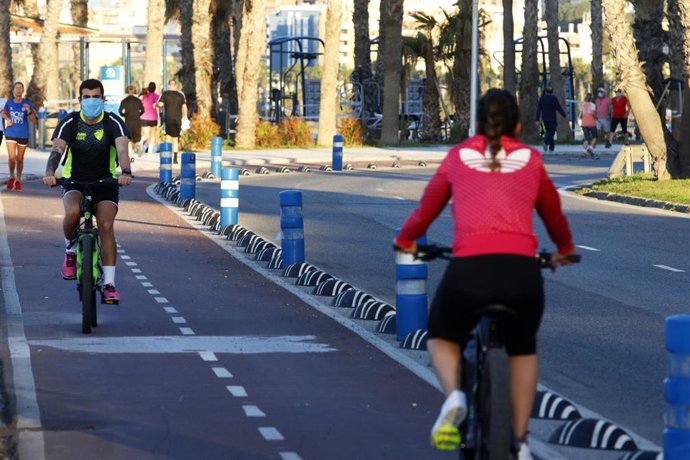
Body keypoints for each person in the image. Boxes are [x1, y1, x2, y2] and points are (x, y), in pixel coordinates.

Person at [393, 89, 575, 460]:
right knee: (523, 348)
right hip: (522, 277)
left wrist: (406, 240)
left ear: (476, 124)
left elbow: (426, 209)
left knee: (442, 333)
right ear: (519, 126)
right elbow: (554, 216)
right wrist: (564, 251)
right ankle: (521, 443)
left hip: (469, 274)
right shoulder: (531, 159)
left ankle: (455, 396)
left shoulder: (459, 157)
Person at [42, 78, 133, 303]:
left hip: (106, 183)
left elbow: (122, 150)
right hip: (75, 181)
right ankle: (70, 252)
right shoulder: (70, 121)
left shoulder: (114, 122)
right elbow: (57, 149)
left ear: (103, 99)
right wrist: (50, 171)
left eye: (95, 97)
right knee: (72, 213)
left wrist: (126, 172)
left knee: (105, 226)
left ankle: (109, 283)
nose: (91, 101)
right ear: (80, 100)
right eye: (86, 97)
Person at [2, 82, 37, 192]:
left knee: (20, 159)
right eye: (16, 88)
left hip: (23, 134)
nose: (18, 90)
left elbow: (33, 120)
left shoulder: (27, 103)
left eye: (20, 88)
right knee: (12, 158)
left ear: (23, 91)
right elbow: (4, 113)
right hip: (10, 133)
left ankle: (18, 180)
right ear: (13, 90)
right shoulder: (9, 103)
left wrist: (29, 111)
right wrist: (7, 119)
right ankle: (11, 176)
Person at [156, 79, 188, 164]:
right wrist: (184, 117)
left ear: (169, 85)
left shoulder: (166, 94)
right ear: (176, 85)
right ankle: (175, 158)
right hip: (178, 119)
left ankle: (167, 156)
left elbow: (160, 104)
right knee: (175, 139)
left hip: (168, 119)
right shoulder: (180, 95)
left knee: (168, 137)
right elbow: (184, 107)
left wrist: (155, 104)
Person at [535, 84, 566, 152]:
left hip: (544, 118)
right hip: (552, 118)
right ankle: (545, 142)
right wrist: (563, 115)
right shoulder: (553, 98)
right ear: (552, 91)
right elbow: (558, 107)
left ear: (546, 91)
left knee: (547, 132)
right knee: (551, 132)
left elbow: (539, 109)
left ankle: (551, 147)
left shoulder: (542, 98)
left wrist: (537, 119)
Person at [119, 84, 145, 161]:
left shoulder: (124, 101)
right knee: (137, 139)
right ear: (134, 91)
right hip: (137, 121)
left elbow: (120, 111)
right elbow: (143, 110)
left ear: (128, 91)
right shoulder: (138, 101)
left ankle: (131, 157)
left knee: (129, 140)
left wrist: (124, 115)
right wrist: (138, 114)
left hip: (128, 122)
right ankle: (138, 145)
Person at [140, 82, 159, 153]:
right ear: (155, 88)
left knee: (146, 135)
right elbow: (159, 106)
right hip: (153, 117)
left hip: (144, 117)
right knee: (153, 134)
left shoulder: (144, 96)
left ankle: (141, 141)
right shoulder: (157, 96)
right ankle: (150, 149)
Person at [579, 92, 599, 159]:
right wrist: (596, 117)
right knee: (595, 136)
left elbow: (581, 115)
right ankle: (590, 148)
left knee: (586, 138)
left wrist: (583, 118)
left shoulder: (583, 105)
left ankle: (584, 151)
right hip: (591, 123)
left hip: (584, 123)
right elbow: (593, 113)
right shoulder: (592, 105)